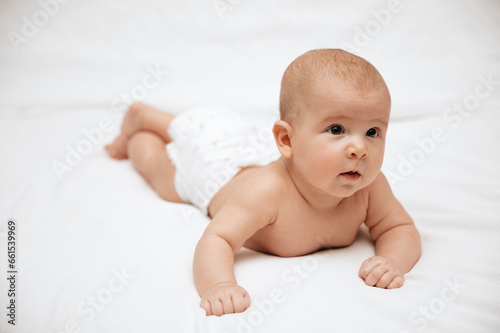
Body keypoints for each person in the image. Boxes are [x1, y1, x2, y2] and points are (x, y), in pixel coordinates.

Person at [105, 49, 421, 317]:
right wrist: (220, 285)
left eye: (373, 132)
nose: (359, 148)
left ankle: (154, 122)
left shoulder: (369, 187)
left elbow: (399, 228)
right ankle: (141, 126)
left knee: (212, 133)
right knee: (169, 176)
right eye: (337, 130)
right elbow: (218, 239)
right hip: (215, 172)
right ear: (287, 140)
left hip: (255, 152)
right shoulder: (268, 193)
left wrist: (393, 260)